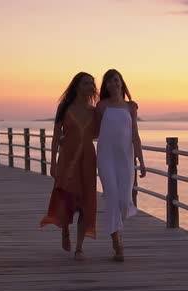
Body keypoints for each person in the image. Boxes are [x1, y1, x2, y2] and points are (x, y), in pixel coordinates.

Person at [40, 72, 99, 261]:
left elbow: (100, 133)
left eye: (92, 83)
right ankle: (65, 229)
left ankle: (79, 247)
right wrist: (52, 162)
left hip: (88, 160)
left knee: (85, 202)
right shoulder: (64, 108)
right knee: (66, 197)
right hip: (67, 159)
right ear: (77, 86)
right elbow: (56, 137)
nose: (90, 86)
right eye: (86, 83)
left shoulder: (94, 111)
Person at [96, 69, 146, 262]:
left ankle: (118, 229)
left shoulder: (130, 107)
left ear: (122, 83)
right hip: (106, 156)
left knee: (124, 201)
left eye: (116, 80)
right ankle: (117, 242)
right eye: (109, 81)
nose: (113, 84)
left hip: (125, 158)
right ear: (106, 86)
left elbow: (135, 136)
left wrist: (141, 162)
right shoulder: (101, 106)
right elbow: (94, 131)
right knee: (112, 197)